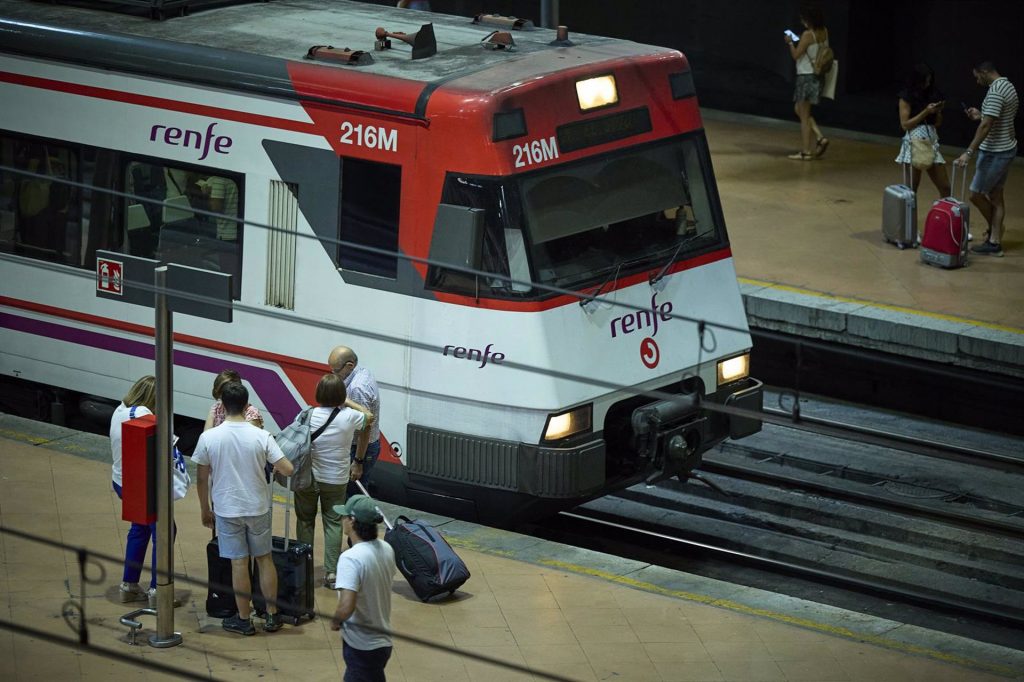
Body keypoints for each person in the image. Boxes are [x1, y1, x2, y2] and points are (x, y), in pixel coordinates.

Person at [193, 382, 295, 635]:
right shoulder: (261, 436)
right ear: (247, 405)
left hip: (227, 509)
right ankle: (272, 616)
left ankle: (243, 619)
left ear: (222, 406)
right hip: (258, 506)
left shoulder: (209, 437)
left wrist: (205, 509)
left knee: (239, 564)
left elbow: (202, 478)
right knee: (264, 559)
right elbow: (288, 469)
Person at [294, 373, 369, 588]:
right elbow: (369, 416)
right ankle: (331, 573)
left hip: (307, 477)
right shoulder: (350, 417)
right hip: (335, 479)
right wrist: (347, 401)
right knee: (333, 522)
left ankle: (304, 567)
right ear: (341, 395)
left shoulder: (306, 414)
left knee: (305, 521)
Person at [109, 375, 178, 607]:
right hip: (142, 485)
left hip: (122, 482)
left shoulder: (120, 410)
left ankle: (128, 586)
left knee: (139, 528)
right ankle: (159, 592)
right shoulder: (145, 417)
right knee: (165, 532)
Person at [330, 495, 397, 682]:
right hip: (383, 641)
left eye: (344, 517)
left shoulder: (351, 558)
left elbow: (346, 605)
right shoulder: (386, 548)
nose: (342, 520)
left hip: (362, 645)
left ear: (352, 521)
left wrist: (335, 621)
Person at [955, 61, 1019, 257]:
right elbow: (993, 118)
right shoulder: (1007, 85)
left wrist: (969, 152)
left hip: (994, 152)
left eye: (977, 76)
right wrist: (981, 115)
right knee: (996, 196)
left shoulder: (995, 91)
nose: (977, 81)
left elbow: (986, 126)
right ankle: (995, 240)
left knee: (975, 194)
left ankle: (995, 234)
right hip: (1007, 148)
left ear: (984, 72)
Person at [327, 346, 381, 497]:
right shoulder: (363, 371)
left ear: (349, 365)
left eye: (336, 370)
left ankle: (355, 521)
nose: (333, 374)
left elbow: (364, 428)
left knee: (353, 497)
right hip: (365, 445)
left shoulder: (357, 389)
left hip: (359, 448)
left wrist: (358, 462)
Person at [896, 64, 951, 199]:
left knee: (945, 187)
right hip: (914, 143)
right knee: (912, 188)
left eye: (929, 80)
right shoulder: (906, 96)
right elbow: (905, 125)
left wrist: (938, 112)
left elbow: (937, 123)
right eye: (924, 80)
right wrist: (926, 111)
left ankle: (942, 217)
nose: (927, 83)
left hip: (931, 141)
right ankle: (908, 219)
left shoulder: (933, 93)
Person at [784, 3, 830, 160]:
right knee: (799, 109)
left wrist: (790, 42)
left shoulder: (807, 35)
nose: (802, 21)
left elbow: (796, 55)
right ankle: (820, 137)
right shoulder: (824, 32)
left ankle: (806, 151)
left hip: (805, 77)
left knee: (804, 116)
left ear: (809, 20)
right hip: (817, 77)